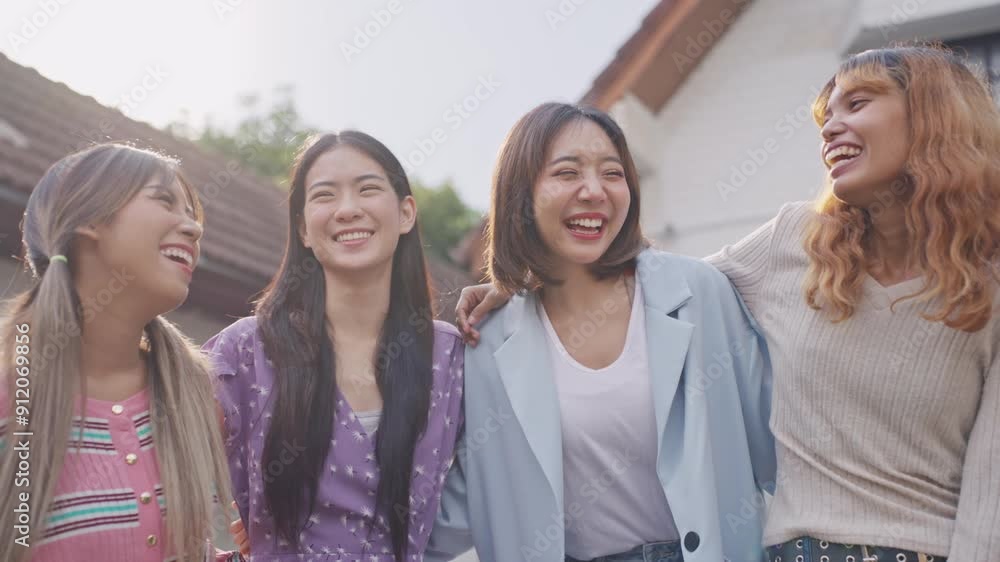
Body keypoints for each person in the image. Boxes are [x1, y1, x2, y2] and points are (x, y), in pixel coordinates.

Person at [456, 46, 1000, 562]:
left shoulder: (991, 290)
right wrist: (531, 278)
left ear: (934, 119)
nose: (830, 127)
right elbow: (651, 290)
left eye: (857, 104)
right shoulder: (795, 242)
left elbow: (989, 503)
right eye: (825, 116)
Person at [427, 102, 775, 562]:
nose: (594, 191)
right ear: (520, 197)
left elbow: (781, 449)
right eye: (567, 173)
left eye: (612, 173)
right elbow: (462, 506)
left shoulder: (701, 293)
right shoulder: (486, 343)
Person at [208, 131, 465, 561]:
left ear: (406, 213)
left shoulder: (452, 358)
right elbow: (155, 467)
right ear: (303, 229)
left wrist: (511, 299)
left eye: (368, 189)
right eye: (325, 196)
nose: (348, 210)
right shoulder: (244, 351)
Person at [0, 144, 235, 562]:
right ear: (89, 218)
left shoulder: (196, 394)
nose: (195, 230)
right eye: (164, 201)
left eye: (191, 213)